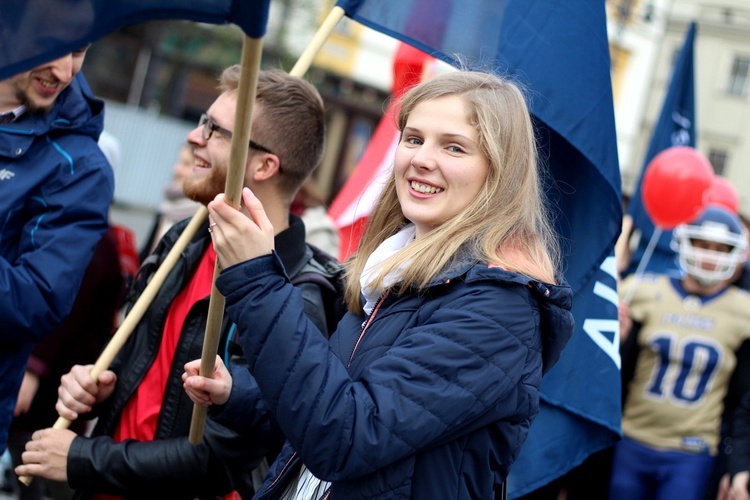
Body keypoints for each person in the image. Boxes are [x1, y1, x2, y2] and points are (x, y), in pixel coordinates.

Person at [183, 70, 575, 499]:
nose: (422, 159)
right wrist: (240, 396)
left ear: (498, 173)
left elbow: (347, 436)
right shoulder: (389, 276)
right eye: (413, 138)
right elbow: (327, 407)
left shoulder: (498, 309)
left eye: (454, 147)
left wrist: (257, 280)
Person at [14, 66, 335, 500]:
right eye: (203, 123)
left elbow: (221, 460)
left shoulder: (295, 296)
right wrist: (99, 385)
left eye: (215, 130)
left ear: (264, 165)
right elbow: (139, 369)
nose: (193, 137)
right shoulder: (182, 242)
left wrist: (82, 460)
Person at [0, 47, 114, 457]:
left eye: (81, 50)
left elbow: (39, 301)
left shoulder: (78, 166)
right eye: (53, 44)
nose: (65, 70)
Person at [613, 205, 750, 500]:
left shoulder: (743, 310)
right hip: (632, 435)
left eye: (719, 248)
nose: (709, 256)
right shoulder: (644, 291)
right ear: (684, 243)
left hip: (693, 448)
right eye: (701, 244)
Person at [139, 143, 202, 262]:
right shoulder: (168, 207)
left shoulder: (200, 216)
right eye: (178, 162)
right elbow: (147, 253)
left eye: (186, 164)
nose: (176, 169)